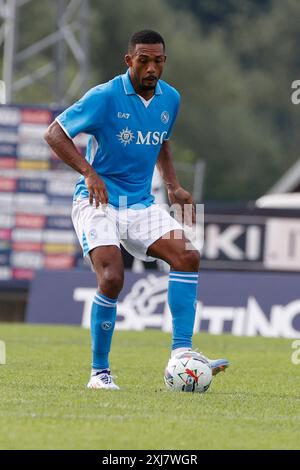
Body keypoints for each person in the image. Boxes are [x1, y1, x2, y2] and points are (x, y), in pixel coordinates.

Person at [45, 29, 229, 390]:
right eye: (143, 60)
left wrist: (173, 185)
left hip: (140, 203)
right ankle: (99, 373)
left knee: (188, 255)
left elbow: (162, 141)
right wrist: (89, 172)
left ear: (164, 63)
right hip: (97, 201)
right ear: (129, 60)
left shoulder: (170, 99)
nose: (151, 68)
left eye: (157, 61)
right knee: (112, 278)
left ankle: (181, 354)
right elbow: (54, 133)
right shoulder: (106, 96)